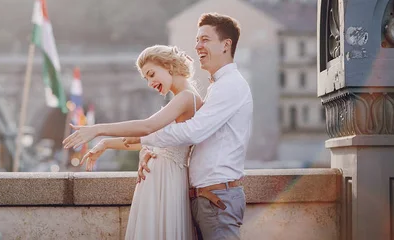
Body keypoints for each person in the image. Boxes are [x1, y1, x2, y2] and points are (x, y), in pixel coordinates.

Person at [64, 13, 253, 240]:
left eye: (205, 39)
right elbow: (182, 140)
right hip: (201, 195)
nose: (197, 46)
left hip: (213, 196)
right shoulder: (214, 89)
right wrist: (136, 147)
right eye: (197, 40)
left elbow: (169, 131)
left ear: (226, 44)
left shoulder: (223, 88)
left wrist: (100, 130)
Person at [64, 44, 203, 240]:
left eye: (152, 74)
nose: (150, 82)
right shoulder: (181, 98)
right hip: (160, 180)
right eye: (146, 78)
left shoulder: (187, 97)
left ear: (168, 66)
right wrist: (106, 143)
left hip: (167, 181)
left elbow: (146, 127)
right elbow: (150, 139)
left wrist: (97, 129)